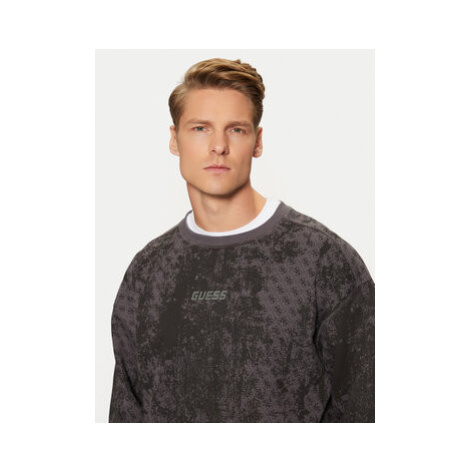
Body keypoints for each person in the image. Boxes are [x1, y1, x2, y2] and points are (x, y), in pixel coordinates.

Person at [109, 58, 375, 423]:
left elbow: (367, 408)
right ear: (174, 139)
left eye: (235, 129)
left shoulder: (323, 260)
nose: (218, 146)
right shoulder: (147, 272)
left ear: (257, 141)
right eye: (200, 128)